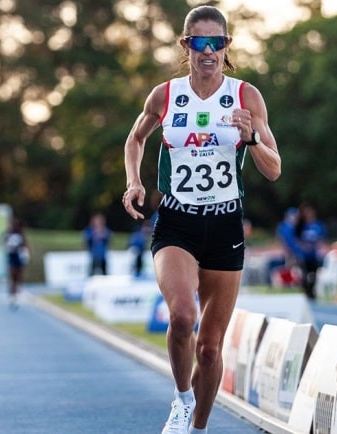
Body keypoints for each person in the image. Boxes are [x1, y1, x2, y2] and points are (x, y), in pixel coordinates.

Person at [121, 6, 281, 433]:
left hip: (225, 224)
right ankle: (181, 399)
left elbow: (273, 167)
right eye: (199, 42)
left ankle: (198, 428)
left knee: (209, 350)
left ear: (227, 46)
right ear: (185, 45)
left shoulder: (247, 96)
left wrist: (250, 137)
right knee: (180, 316)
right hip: (176, 222)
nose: (208, 51)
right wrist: (133, 182)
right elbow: (135, 139)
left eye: (217, 42)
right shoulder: (165, 95)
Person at [294, 202, 327, 300]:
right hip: (303, 255)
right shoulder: (301, 226)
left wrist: (316, 246)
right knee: (304, 274)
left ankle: (312, 291)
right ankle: (306, 291)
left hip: (313, 254)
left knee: (313, 274)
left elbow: (321, 238)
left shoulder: (318, 225)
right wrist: (303, 247)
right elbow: (297, 239)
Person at [1, 217, 29, 307]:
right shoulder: (7, 234)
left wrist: (25, 255)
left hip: (19, 256)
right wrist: (8, 247)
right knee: (12, 275)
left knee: (19, 275)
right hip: (11, 256)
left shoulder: (20, 234)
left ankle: (17, 290)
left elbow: (24, 245)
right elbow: (3, 242)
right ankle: (12, 294)